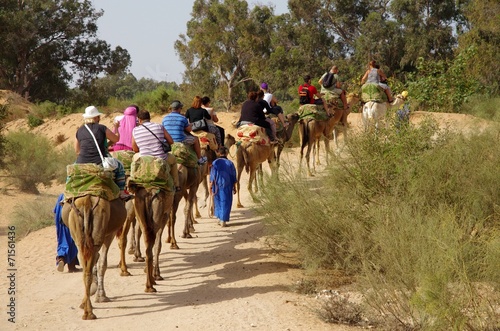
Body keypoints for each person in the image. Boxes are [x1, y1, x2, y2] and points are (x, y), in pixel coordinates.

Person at [75, 105, 132, 201]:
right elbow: (116, 139)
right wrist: (116, 128)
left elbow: (77, 151)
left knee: (71, 173)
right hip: (100, 162)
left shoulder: (79, 130)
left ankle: (67, 194)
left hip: (82, 162)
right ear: (96, 117)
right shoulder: (102, 128)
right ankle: (122, 192)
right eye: (98, 116)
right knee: (120, 167)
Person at [131, 109, 180, 192]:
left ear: (139, 120)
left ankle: (133, 182)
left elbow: (135, 149)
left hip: (144, 158)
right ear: (149, 118)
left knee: (134, 159)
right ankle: (176, 185)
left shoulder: (135, 130)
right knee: (173, 159)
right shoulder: (159, 126)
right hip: (161, 158)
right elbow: (171, 141)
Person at [162, 100, 208, 165]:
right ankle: (199, 159)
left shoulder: (165, 118)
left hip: (168, 141)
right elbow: (189, 130)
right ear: (179, 109)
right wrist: (190, 125)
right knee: (196, 139)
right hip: (180, 141)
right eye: (181, 108)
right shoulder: (182, 118)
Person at [210, 146, 237, 227]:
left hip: (216, 185)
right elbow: (233, 176)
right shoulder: (230, 163)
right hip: (227, 185)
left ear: (218, 153)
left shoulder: (215, 162)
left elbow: (212, 175)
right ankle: (223, 221)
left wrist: (210, 185)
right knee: (226, 202)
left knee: (217, 201)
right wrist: (234, 187)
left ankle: (219, 218)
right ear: (226, 153)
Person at [54, 193, 79, 273]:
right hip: (69, 221)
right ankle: (71, 266)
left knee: (62, 241)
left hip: (60, 222)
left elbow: (55, 211)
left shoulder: (62, 195)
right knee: (72, 241)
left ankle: (61, 259)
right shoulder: (76, 194)